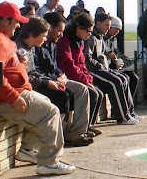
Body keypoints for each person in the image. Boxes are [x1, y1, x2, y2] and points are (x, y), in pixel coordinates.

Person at [0, 1, 75, 175]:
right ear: (5, 20)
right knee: (50, 112)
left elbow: (3, 67)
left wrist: (18, 63)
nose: (19, 25)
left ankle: (28, 150)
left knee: (48, 105)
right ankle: (48, 162)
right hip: (2, 98)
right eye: (16, 21)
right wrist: (14, 98)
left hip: (10, 93)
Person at [16, 17, 93, 147]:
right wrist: (49, 82)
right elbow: (26, 75)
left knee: (74, 92)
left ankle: (69, 133)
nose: (45, 38)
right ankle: (49, 141)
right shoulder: (21, 48)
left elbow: (40, 69)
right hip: (28, 88)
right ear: (33, 34)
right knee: (61, 97)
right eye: (44, 35)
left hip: (45, 79)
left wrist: (58, 75)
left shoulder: (34, 47)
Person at [36, 13, 96, 143]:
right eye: (59, 31)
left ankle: (80, 129)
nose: (61, 34)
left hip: (58, 78)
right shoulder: (57, 42)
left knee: (91, 92)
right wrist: (54, 79)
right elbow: (67, 64)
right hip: (48, 81)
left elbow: (57, 65)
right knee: (79, 90)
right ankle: (73, 133)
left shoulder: (52, 44)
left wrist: (59, 74)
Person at [85, 13, 141, 124]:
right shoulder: (92, 38)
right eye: (106, 25)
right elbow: (87, 57)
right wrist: (100, 65)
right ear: (98, 23)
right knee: (116, 82)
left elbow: (102, 53)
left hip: (102, 69)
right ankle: (123, 117)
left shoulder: (100, 37)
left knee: (124, 79)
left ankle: (129, 112)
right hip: (93, 70)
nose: (108, 28)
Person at [56, 13, 104, 137]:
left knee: (98, 93)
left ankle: (88, 125)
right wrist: (84, 80)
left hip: (78, 77)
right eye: (88, 31)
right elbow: (68, 64)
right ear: (78, 29)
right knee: (91, 93)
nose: (89, 35)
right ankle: (77, 130)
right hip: (68, 77)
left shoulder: (79, 42)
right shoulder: (65, 41)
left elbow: (81, 64)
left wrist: (88, 78)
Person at [104, 15, 139, 102]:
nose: (117, 32)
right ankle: (123, 107)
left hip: (112, 68)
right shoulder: (102, 39)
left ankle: (129, 105)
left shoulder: (110, 39)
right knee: (124, 79)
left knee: (133, 77)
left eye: (119, 30)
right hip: (106, 69)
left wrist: (116, 61)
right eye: (116, 28)